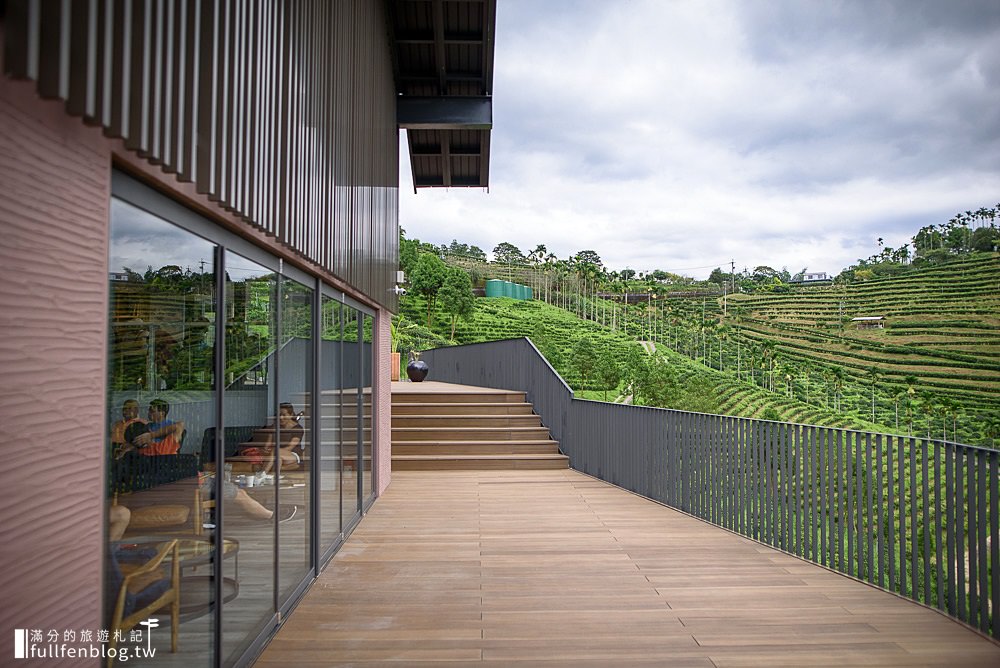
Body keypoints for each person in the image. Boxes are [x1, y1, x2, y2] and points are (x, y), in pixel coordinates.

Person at [198, 472, 297, 523]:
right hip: (198, 485)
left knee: (241, 491)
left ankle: (257, 513)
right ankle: (272, 516)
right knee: (238, 495)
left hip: (202, 480)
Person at [239, 402, 305, 474]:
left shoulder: (297, 428)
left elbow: (290, 447)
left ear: (291, 415)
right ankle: (274, 479)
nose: (281, 417)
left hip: (292, 456)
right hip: (277, 455)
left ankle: (262, 474)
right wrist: (266, 450)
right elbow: (268, 443)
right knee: (277, 459)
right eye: (279, 415)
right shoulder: (275, 426)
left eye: (284, 415)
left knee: (275, 452)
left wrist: (273, 452)